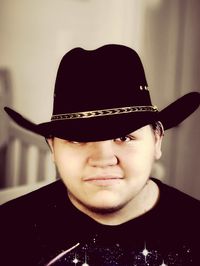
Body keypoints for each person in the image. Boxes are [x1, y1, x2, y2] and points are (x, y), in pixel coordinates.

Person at [1, 44, 200, 266]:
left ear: (157, 140)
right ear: (52, 148)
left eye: (124, 138)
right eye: (78, 139)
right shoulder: (9, 231)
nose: (103, 159)